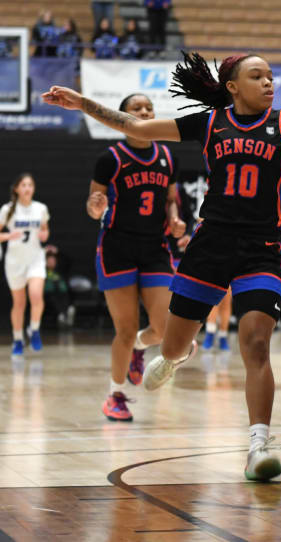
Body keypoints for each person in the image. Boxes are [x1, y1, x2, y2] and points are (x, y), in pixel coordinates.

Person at [42, 49, 281, 481]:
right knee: (171, 343)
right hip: (210, 246)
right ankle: (172, 358)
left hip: (262, 248)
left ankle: (259, 442)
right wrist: (84, 104)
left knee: (256, 344)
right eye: (257, 76)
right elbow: (135, 127)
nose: (268, 83)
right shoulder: (210, 124)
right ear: (232, 87)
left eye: (271, 77)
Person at [86, 93, 185, 422]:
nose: (144, 112)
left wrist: (174, 218)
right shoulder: (110, 159)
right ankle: (115, 394)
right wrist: (96, 207)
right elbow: (92, 204)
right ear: (122, 117)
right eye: (136, 108)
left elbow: (171, 198)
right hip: (117, 248)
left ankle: (138, 352)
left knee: (163, 329)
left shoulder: (167, 157)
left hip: (155, 248)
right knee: (125, 330)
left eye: (148, 108)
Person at [0, 173, 50, 358]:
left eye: (30, 185)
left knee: (36, 296)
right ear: (16, 189)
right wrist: (7, 236)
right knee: (19, 303)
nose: (27, 188)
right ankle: (18, 339)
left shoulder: (41, 208)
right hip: (14, 261)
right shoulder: (8, 209)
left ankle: (34, 329)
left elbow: (45, 229)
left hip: (35, 258)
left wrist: (45, 234)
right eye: (23, 185)